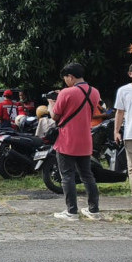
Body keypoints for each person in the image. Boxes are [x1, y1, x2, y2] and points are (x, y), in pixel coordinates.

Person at [49, 63, 101, 221]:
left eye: (66, 79)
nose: (65, 82)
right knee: (87, 175)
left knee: (67, 176)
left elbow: (55, 116)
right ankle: (94, 210)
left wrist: (52, 102)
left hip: (67, 139)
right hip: (85, 139)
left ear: (70, 77)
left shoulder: (66, 92)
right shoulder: (95, 92)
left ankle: (71, 211)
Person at [113, 62, 132, 205]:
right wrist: (116, 131)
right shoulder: (123, 90)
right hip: (130, 134)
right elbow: (119, 112)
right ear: (130, 74)